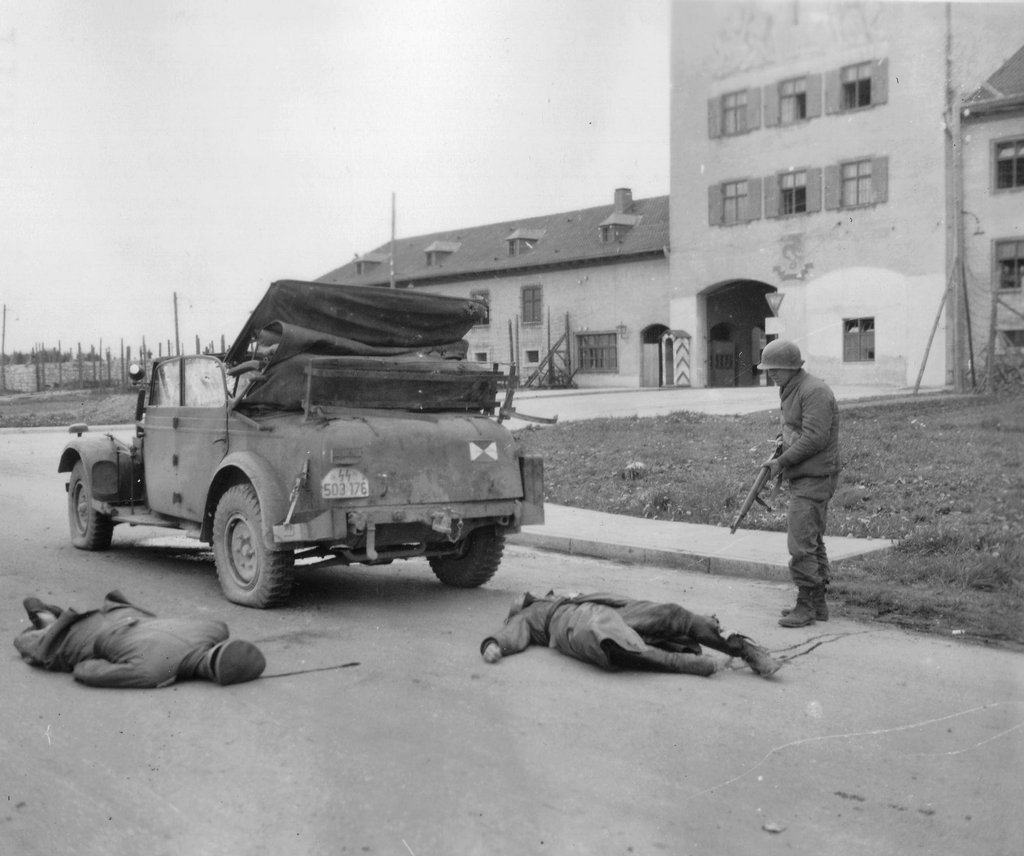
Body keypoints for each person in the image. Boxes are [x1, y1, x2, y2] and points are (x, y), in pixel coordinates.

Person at [479, 591, 782, 677]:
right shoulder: (529, 616)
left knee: (670, 614)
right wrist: (492, 645)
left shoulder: (554, 595)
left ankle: (746, 651)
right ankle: (685, 664)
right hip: (575, 624)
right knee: (609, 643)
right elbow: (508, 635)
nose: (517, 598)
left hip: (604, 605)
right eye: (515, 605)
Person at [14, 590, 266, 688]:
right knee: (33, 645)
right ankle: (45, 617)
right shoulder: (156, 671)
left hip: (122, 612)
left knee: (59, 634)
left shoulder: (212, 631)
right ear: (208, 675)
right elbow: (85, 670)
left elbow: (221, 626)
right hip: (86, 635)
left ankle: (52, 617)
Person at [757, 339, 841, 627]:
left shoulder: (814, 391)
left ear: (792, 367)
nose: (771, 374)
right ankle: (817, 605)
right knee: (810, 539)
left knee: (800, 543)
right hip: (805, 474)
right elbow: (796, 428)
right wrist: (782, 445)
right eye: (768, 369)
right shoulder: (791, 388)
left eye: (776, 369)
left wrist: (782, 462)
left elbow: (815, 437)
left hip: (816, 476)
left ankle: (806, 605)